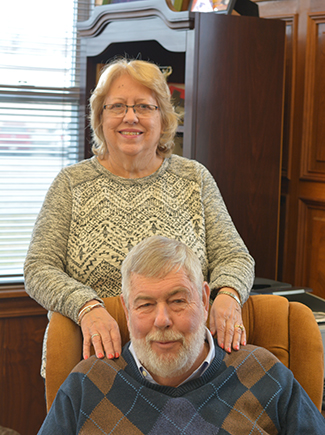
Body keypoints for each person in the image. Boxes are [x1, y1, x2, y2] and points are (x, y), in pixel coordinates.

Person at [16, 236, 325, 435]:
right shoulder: (87, 384)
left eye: (178, 301)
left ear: (205, 300)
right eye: (146, 304)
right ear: (126, 309)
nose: (162, 320)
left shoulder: (265, 373)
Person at [24, 58, 254, 380]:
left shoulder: (194, 178)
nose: (130, 117)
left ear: (163, 117)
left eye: (144, 107)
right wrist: (86, 306)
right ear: (100, 118)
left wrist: (228, 293)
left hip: (186, 367)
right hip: (96, 362)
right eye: (116, 106)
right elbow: (38, 268)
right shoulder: (71, 184)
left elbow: (234, 256)